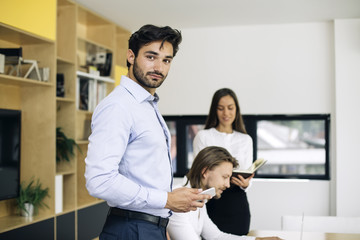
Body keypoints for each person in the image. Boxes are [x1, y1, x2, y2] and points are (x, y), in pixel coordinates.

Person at [84, 24, 211, 240]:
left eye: (166, 60)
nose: (159, 67)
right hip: (131, 228)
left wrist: (169, 204)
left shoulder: (146, 106)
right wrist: (165, 200)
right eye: (151, 57)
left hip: (151, 227)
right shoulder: (119, 106)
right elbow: (99, 180)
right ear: (131, 56)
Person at [167, 146, 282, 240]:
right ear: (205, 172)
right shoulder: (179, 200)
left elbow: (216, 236)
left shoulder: (200, 197)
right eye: (224, 177)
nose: (227, 184)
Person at [193, 88, 253, 235]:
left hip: (237, 202)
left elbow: (247, 172)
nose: (226, 113)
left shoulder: (245, 139)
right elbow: (198, 172)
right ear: (214, 110)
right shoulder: (203, 136)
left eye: (230, 108)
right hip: (211, 200)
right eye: (220, 108)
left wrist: (247, 184)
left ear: (236, 110)